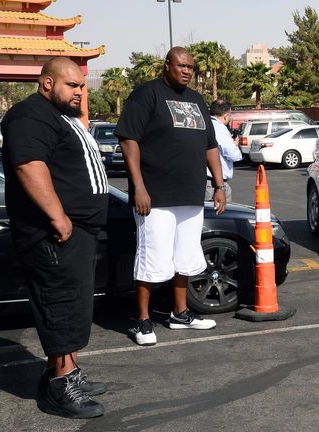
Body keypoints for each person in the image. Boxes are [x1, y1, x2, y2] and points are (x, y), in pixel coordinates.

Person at [1, 57, 108, 418]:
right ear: (47, 83)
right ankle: (60, 389)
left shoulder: (60, 116)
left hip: (79, 232)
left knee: (75, 307)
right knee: (60, 307)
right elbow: (28, 165)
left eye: (82, 86)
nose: (80, 92)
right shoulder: (29, 115)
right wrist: (58, 217)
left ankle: (68, 374)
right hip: (54, 234)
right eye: (72, 86)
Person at [115, 47, 226, 346]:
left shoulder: (197, 100)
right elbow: (129, 140)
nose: (187, 71)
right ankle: (142, 321)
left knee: (185, 257)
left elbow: (210, 145)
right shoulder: (147, 94)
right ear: (167, 65)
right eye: (181, 65)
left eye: (191, 66)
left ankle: (180, 314)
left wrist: (219, 185)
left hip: (191, 195)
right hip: (155, 197)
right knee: (152, 258)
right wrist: (138, 186)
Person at [205, 100, 242, 202]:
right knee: (220, 215)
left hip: (206, 181)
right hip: (214, 184)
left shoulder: (206, 124)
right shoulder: (220, 128)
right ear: (226, 115)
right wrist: (234, 145)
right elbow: (233, 154)